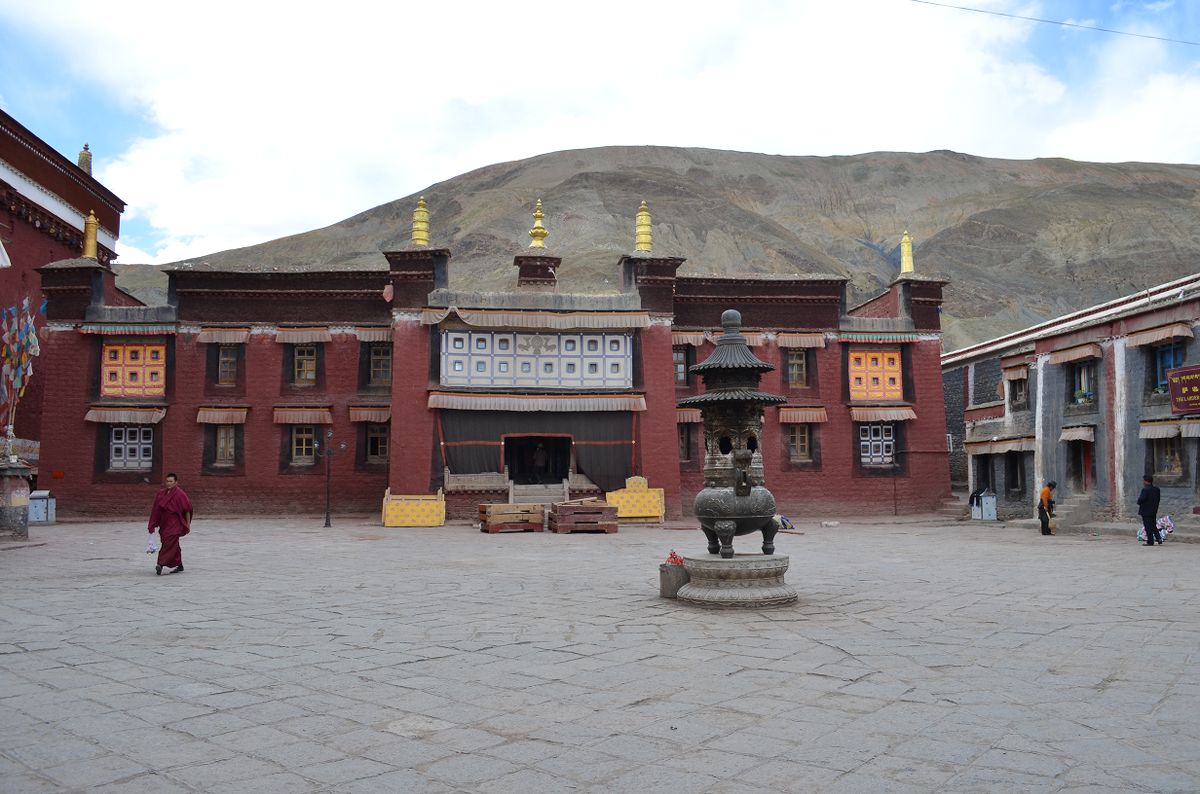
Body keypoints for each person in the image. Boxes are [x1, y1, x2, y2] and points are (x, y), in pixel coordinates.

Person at [148, 472, 192, 575]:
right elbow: (155, 509)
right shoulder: (161, 493)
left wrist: (188, 525)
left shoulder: (180, 494)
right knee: (172, 543)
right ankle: (179, 564)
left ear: (176, 482)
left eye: (171, 481)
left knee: (168, 542)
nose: (168, 483)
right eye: (167, 481)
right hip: (164, 523)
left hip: (175, 522)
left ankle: (160, 563)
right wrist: (153, 523)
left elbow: (187, 509)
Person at [1137, 474, 1162, 546]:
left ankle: (1150, 541)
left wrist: (1139, 502)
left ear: (1146, 481)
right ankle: (1158, 538)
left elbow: (1141, 499)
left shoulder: (1145, 490)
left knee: (1148, 526)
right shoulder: (1157, 489)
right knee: (1153, 525)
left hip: (1146, 511)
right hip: (1153, 510)